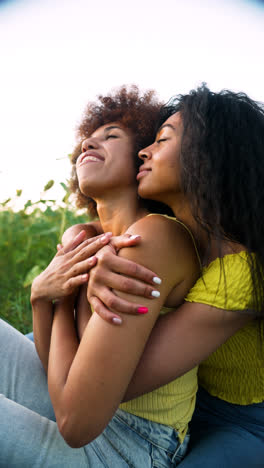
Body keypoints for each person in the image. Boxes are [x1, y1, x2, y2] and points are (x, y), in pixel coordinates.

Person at [0, 86, 200, 467]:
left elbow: (73, 421)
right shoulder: (85, 238)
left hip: (135, 443)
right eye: (89, 138)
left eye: (111, 136)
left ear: (143, 157)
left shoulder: (154, 236)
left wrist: (56, 299)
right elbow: (56, 372)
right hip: (83, 410)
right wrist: (43, 297)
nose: (90, 142)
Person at [78, 85, 264, 467]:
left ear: (211, 156)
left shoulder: (240, 274)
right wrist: (79, 240)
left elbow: (118, 384)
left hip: (242, 422)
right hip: (186, 396)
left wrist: (79, 294)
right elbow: (98, 229)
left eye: (162, 140)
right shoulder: (174, 235)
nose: (144, 151)